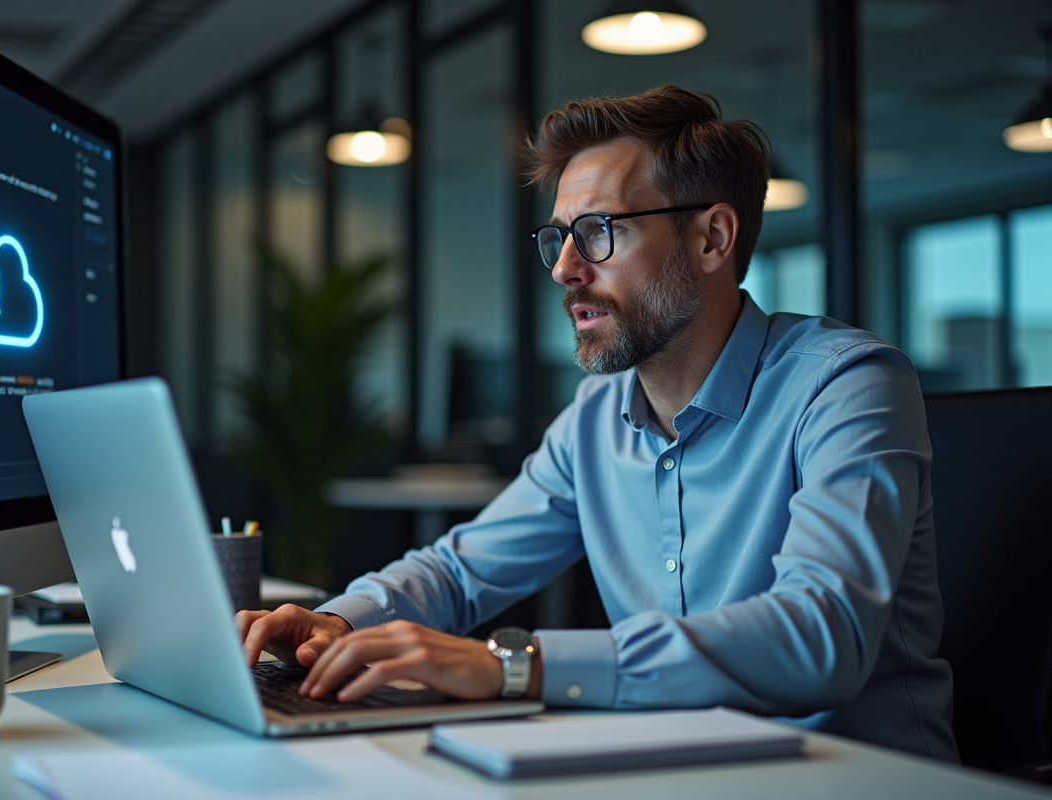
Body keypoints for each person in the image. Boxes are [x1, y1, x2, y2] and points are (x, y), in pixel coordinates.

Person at [236, 84, 957, 761]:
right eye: (559, 238)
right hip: (671, 769)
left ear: (712, 239)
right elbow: (460, 571)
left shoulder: (847, 384)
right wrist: (339, 622)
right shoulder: (595, 417)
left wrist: (514, 667)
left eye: (599, 231)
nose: (565, 270)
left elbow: (820, 635)